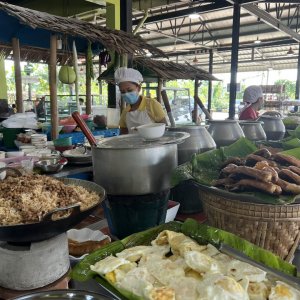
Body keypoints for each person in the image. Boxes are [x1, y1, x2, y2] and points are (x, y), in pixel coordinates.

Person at [114, 67, 167, 134]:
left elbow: (164, 129)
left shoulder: (152, 104)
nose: (126, 94)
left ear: (138, 88)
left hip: (154, 144)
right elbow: (123, 134)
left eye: (129, 90)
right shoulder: (125, 112)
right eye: (122, 92)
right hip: (133, 144)